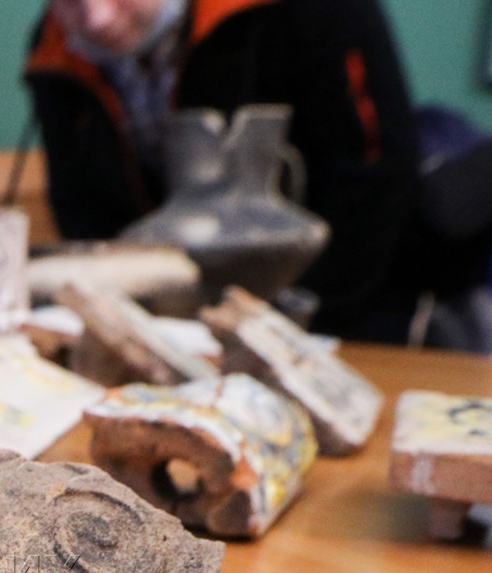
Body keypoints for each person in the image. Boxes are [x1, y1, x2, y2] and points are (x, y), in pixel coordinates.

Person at [25, 0, 422, 342]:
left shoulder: (313, 11)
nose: (97, 19)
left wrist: (308, 321)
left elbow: (375, 173)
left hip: (346, 311)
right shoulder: (55, 48)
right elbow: (80, 206)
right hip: (172, 329)